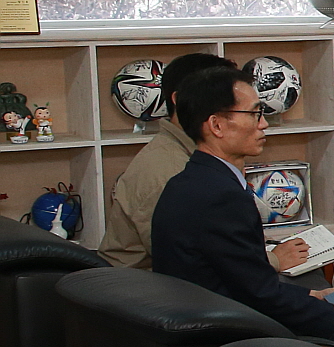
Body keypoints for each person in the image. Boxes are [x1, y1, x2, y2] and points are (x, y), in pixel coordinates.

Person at [152, 66, 334, 337]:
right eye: (254, 114)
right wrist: (332, 312)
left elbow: (244, 279)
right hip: (231, 333)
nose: (263, 123)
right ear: (216, 125)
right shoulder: (219, 196)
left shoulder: (191, 180)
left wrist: (314, 295)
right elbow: (258, 294)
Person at [99, 54, 237, 269]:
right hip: (151, 290)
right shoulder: (171, 171)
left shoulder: (192, 154)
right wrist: (272, 261)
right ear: (181, 99)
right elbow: (189, 258)